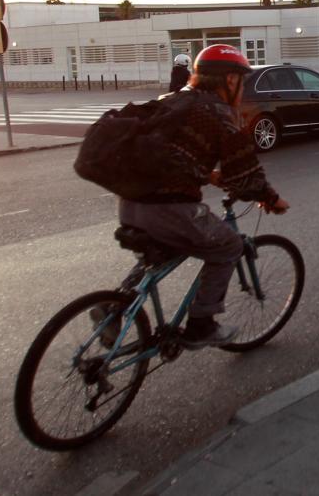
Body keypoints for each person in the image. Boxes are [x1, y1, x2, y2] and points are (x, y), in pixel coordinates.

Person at [111, 45, 289, 348]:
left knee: (164, 250)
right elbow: (244, 170)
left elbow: (169, 155)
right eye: (240, 81)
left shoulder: (173, 100)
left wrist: (209, 176)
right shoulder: (217, 113)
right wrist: (270, 198)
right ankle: (201, 325)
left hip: (129, 203)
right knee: (229, 246)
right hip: (167, 210)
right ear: (229, 80)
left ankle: (114, 308)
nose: (241, 89)